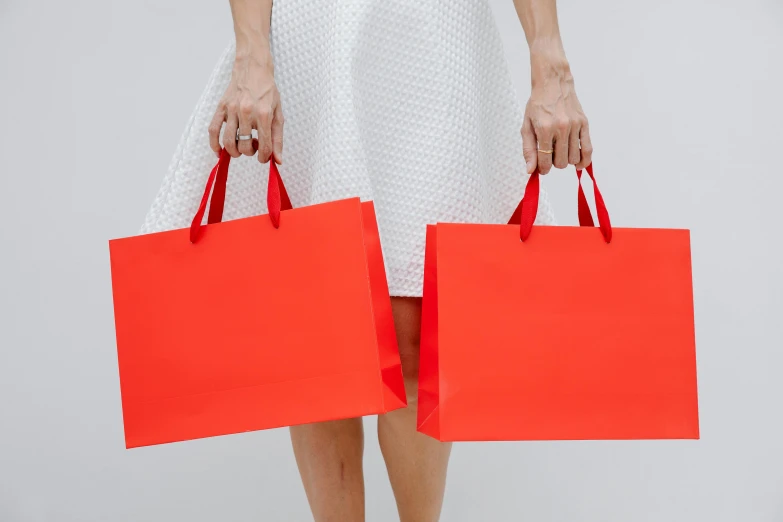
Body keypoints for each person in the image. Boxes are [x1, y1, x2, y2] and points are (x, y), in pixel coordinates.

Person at [140, 0, 592, 520]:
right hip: (320, 28)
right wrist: (251, 53)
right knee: (322, 327)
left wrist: (550, 60)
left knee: (421, 327)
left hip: (437, 31)